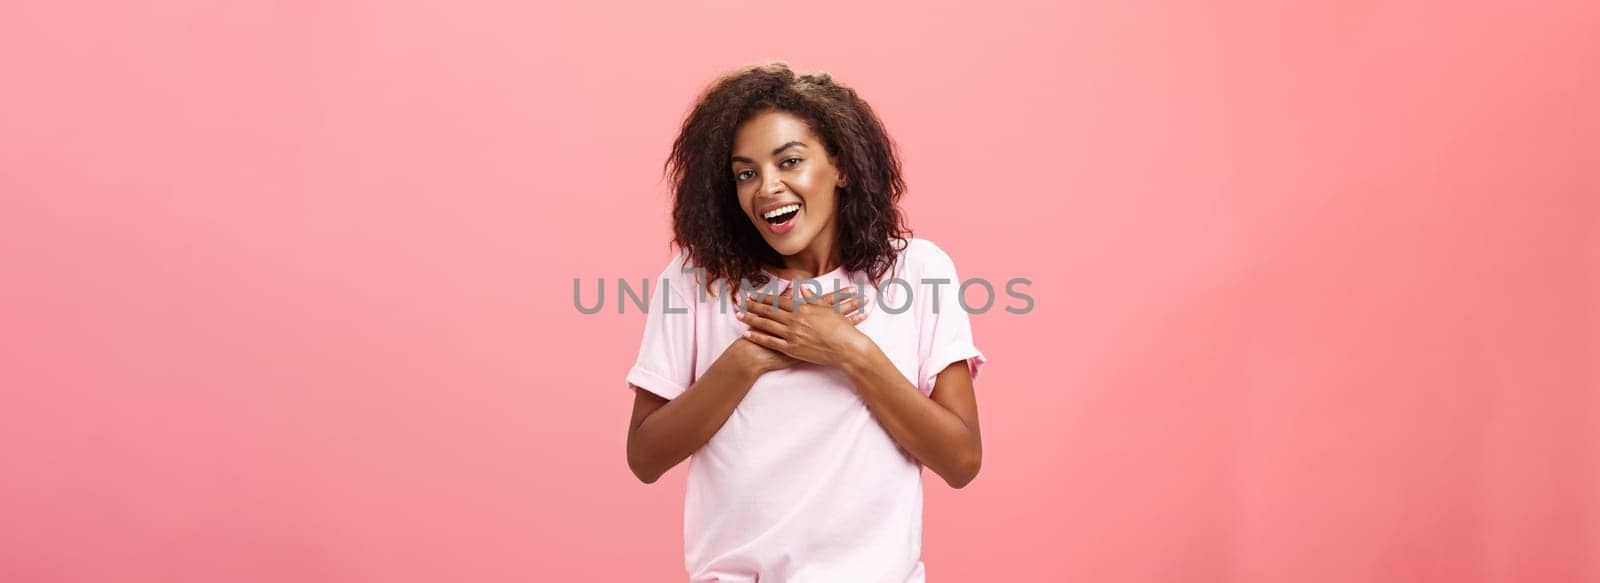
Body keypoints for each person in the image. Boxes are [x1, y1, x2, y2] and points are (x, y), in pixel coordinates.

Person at [624, 61, 987, 583]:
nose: (767, 187)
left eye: (789, 161)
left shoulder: (918, 270)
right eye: (745, 173)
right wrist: (751, 356)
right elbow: (645, 456)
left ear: (841, 167)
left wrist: (847, 349)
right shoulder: (696, 280)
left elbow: (961, 460)